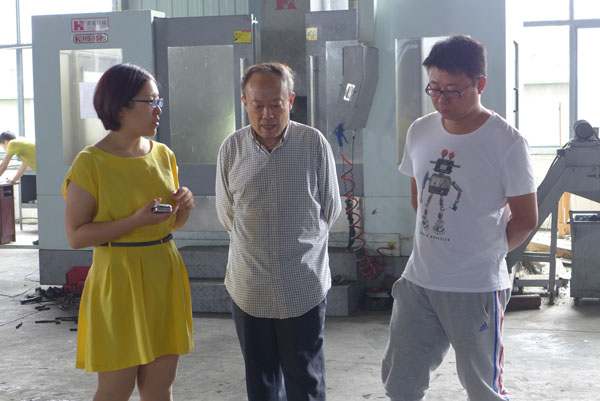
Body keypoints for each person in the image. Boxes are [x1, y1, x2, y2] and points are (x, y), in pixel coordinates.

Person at [382, 35, 538, 401]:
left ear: (479, 84)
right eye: (434, 88)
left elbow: (526, 218)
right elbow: (419, 197)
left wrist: (483, 253)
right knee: (400, 383)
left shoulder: (507, 142)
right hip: (419, 282)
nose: (441, 99)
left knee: (483, 389)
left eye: (452, 90)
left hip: (475, 288)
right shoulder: (420, 131)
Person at [62, 63, 195, 401]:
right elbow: (76, 236)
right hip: (118, 280)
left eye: (159, 100)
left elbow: (169, 225)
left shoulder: (163, 154)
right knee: (114, 391)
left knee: (159, 388)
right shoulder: (90, 163)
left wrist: (184, 207)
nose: (158, 109)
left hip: (163, 274)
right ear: (120, 107)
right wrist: (134, 221)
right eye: (150, 101)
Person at [215, 62, 342, 401]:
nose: (267, 115)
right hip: (250, 288)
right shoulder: (231, 149)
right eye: (258, 105)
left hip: (302, 285)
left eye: (276, 104)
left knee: (306, 380)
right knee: (261, 383)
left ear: (291, 100)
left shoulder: (313, 144)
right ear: (245, 103)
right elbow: (227, 215)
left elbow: (330, 209)